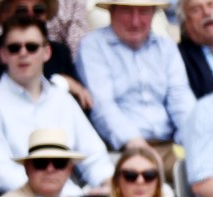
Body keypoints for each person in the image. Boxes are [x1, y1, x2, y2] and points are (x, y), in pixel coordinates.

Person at [0, 16, 113, 197]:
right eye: (14, 48)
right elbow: (1, 174)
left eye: (31, 47)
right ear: (3, 55)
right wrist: (69, 195)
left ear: (46, 52)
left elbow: (94, 156)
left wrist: (109, 184)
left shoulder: (62, 99)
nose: (23, 53)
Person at [76, 0, 195, 175]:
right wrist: (136, 144)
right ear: (111, 12)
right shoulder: (93, 45)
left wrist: (195, 137)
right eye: (126, 11)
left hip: (170, 145)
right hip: (122, 150)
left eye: (143, 12)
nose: (135, 21)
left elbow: (181, 100)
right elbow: (103, 107)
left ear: (154, 14)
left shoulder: (166, 46)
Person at [0, 0, 89, 107]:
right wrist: (61, 81)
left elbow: (81, 99)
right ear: (5, 15)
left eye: (38, 11)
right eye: (21, 11)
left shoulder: (60, 52)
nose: (30, 16)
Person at [178, 0, 213, 98]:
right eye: (196, 10)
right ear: (185, 23)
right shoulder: (179, 58)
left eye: (211, 5)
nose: (207, 12)